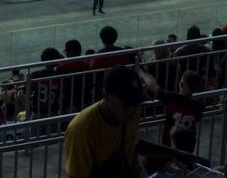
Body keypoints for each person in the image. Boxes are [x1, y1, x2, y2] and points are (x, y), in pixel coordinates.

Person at [64, 66, 200, 178]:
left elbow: (134, 144)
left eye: (136, 103)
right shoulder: (81, 130)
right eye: (126, 104)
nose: (132, 110)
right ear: (106, 96)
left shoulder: (132, 113)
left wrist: (176, 153)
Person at [158, 71, 205, 146]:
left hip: (168, 144)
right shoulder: (199, 106)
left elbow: (154, 87)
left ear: (181, 84)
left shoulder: (171, 98)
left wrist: (142, 74)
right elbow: (198, 118)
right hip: (187, 146)